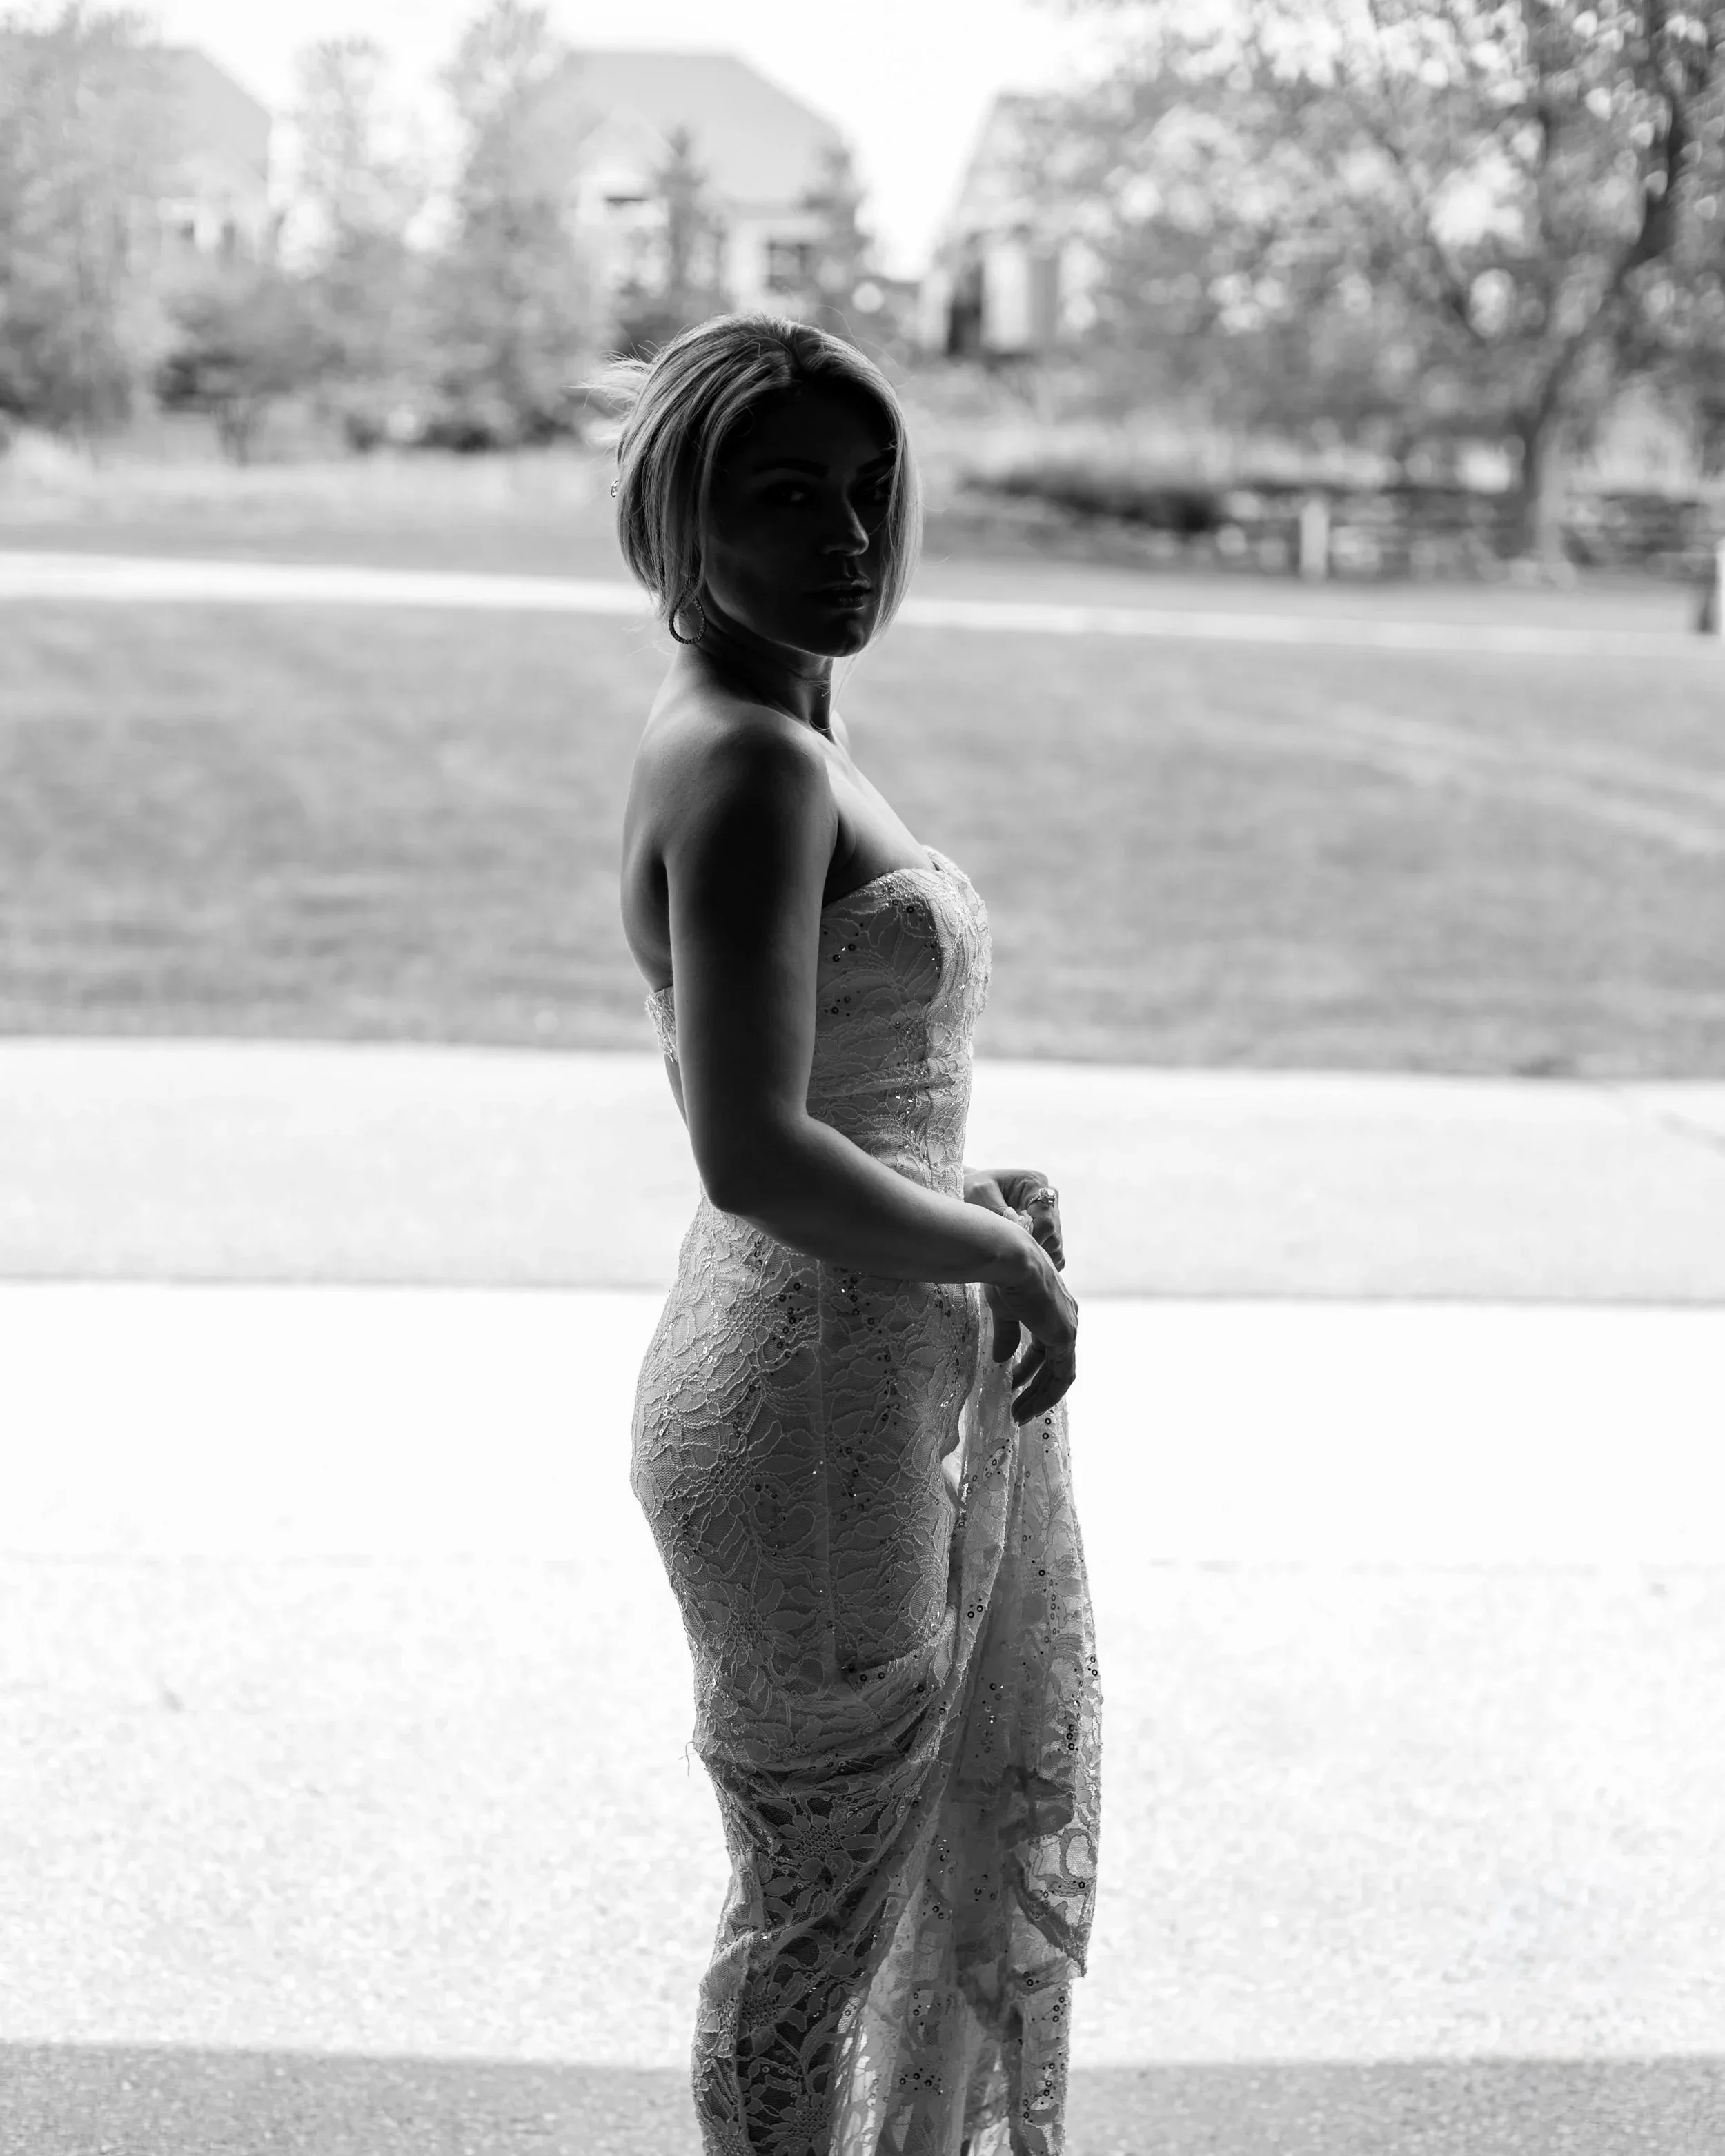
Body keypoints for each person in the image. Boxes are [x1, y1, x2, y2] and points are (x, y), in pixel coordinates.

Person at [608, 314, 1101, 2156]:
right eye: (785, 493)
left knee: (851, 1898)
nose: (847, 536)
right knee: (810, 1929)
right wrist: (993, 1256)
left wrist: (966, 1195)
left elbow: (844, 1101)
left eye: (873, 486)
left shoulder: (779, 732)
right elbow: (747, 1148)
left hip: (846, 1375)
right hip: (800, 1410)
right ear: (679, 518)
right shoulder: (746, 764)